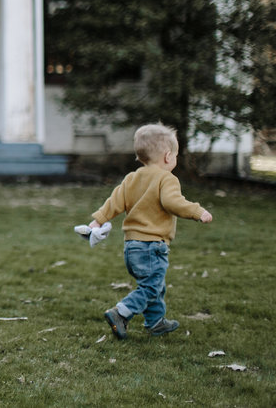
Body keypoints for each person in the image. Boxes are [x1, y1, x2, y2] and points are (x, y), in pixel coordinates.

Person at [80, 123, 213, 340]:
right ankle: (121, 312)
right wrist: (197, 211)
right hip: (153, 246)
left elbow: (114, 202)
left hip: (132, 246)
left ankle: (156, 322)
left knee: (155, 286)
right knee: (150, 288)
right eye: (176, 155)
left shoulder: (132, 178)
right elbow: (172, 202)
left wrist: (97, 222)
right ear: (168, 156)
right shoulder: (166, 179)